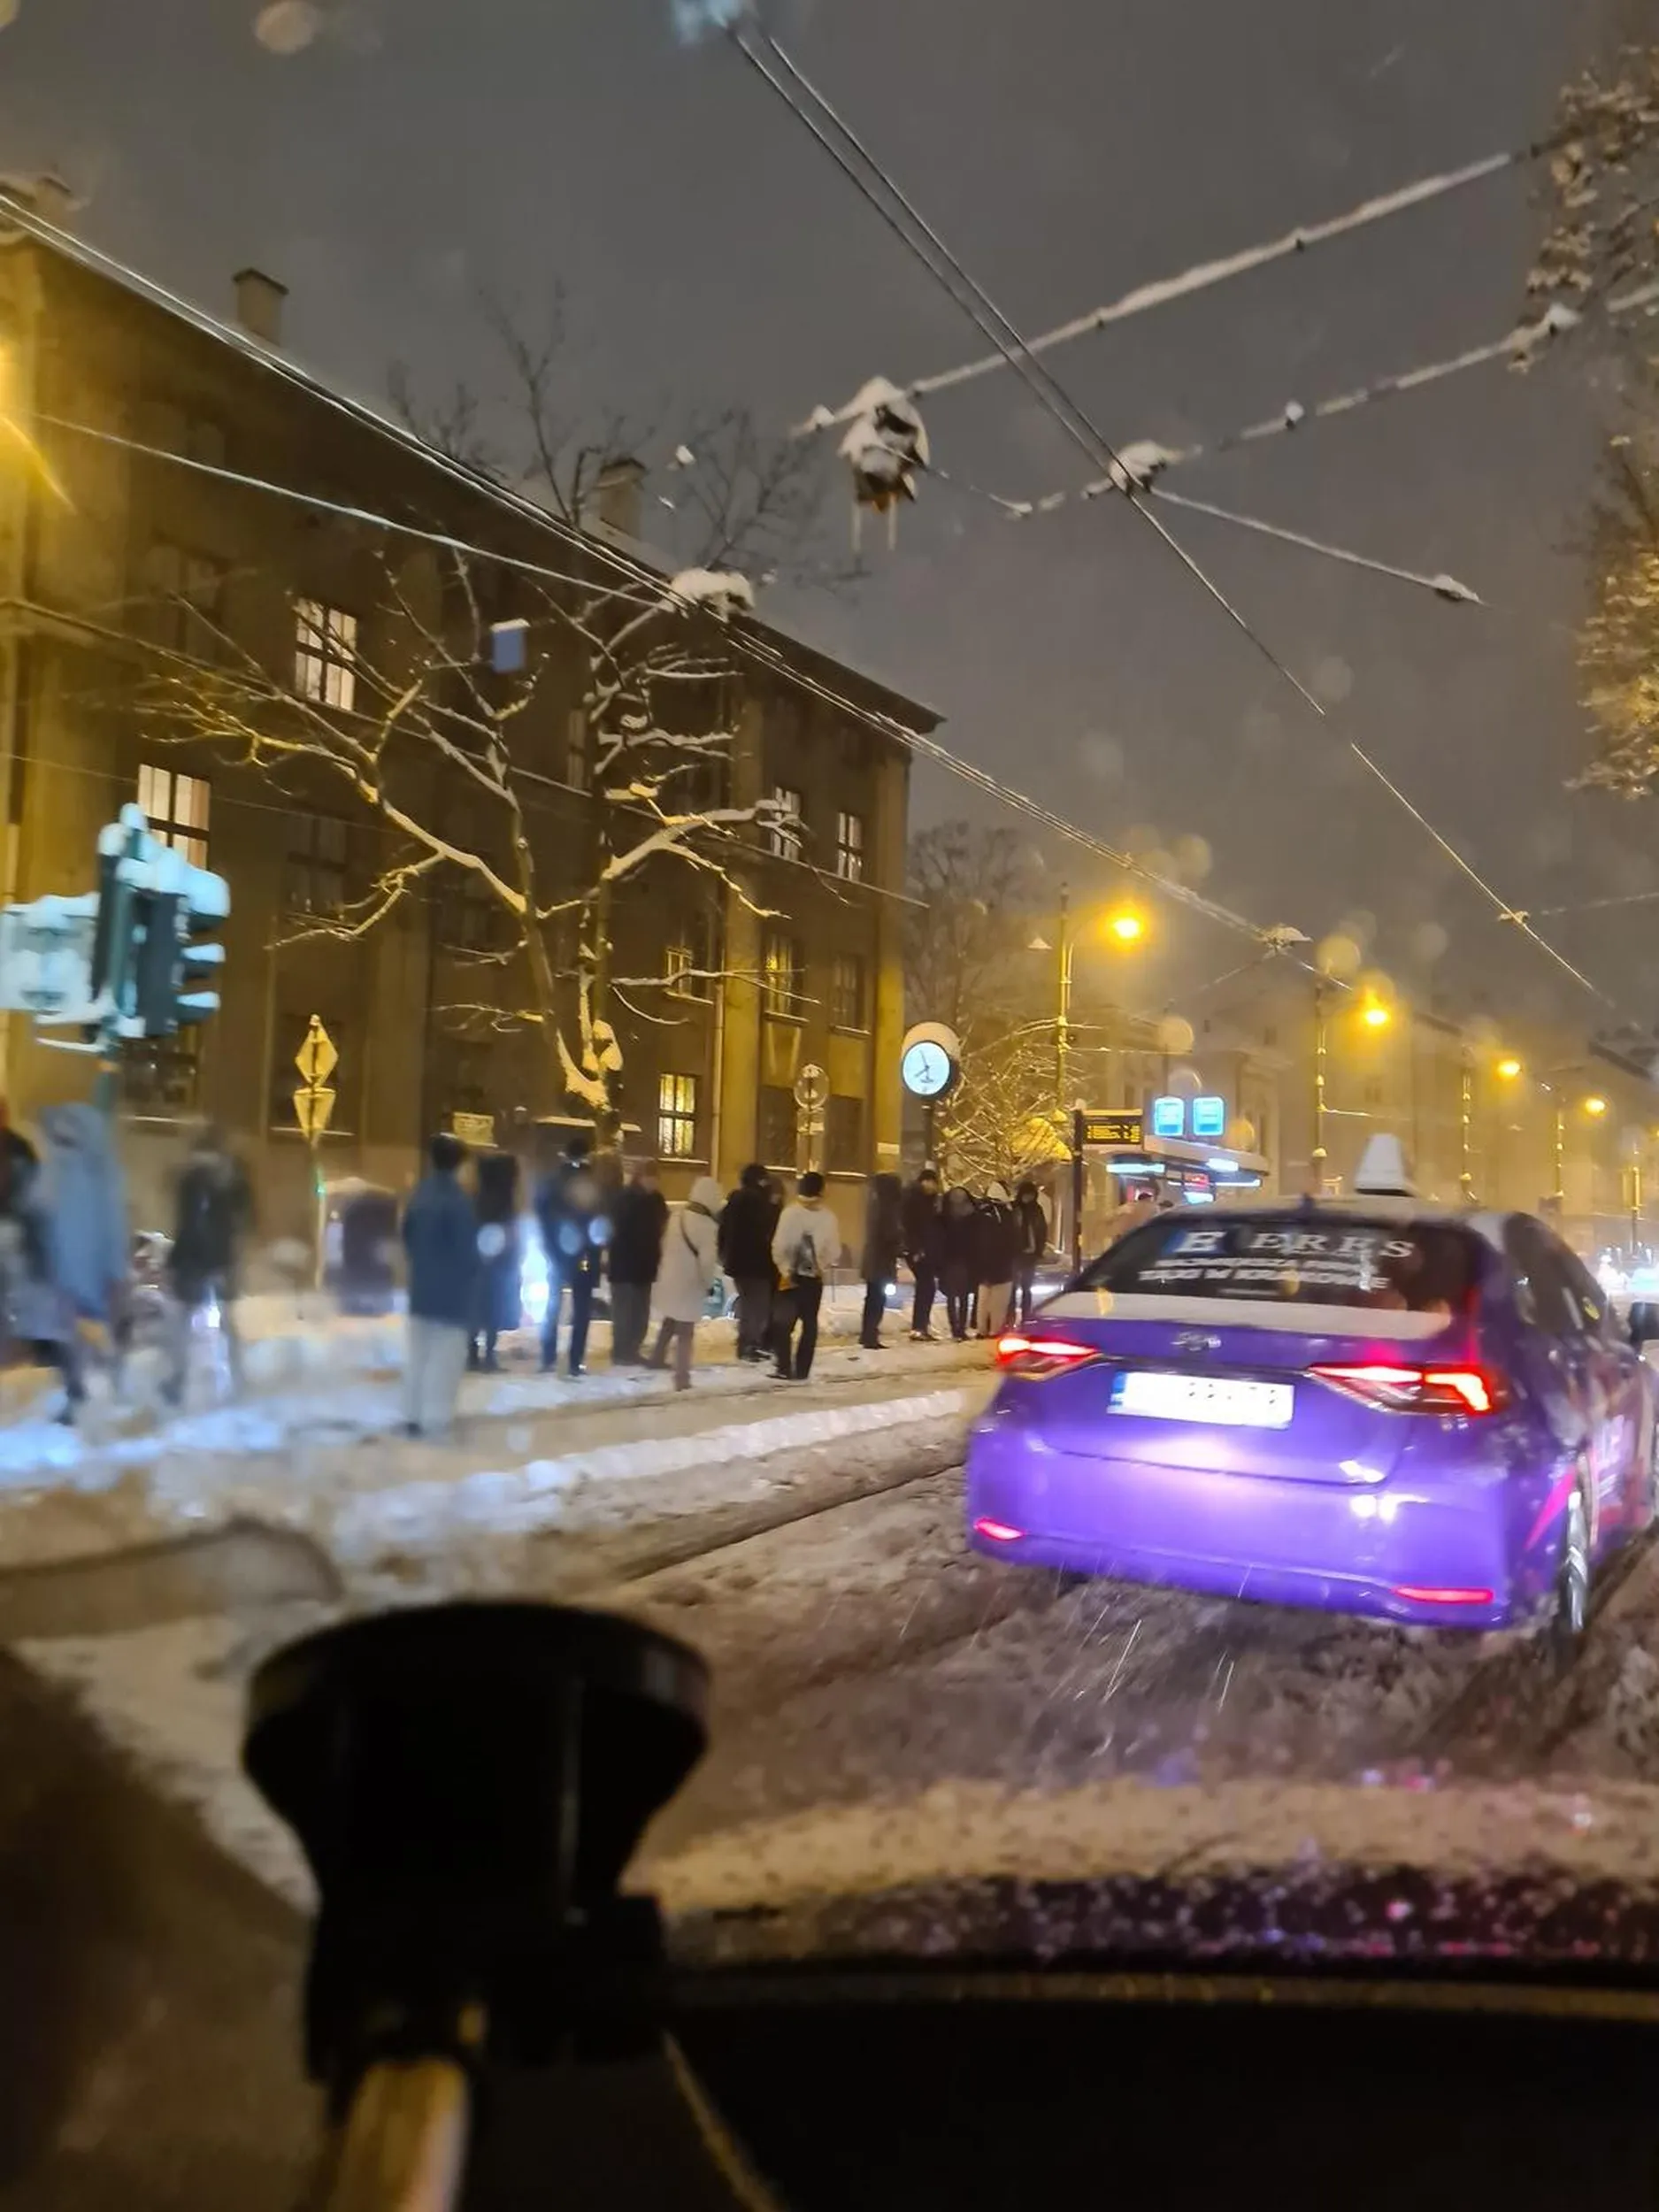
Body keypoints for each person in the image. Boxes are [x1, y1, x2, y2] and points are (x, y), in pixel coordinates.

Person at [164, 1120, 253, 1408]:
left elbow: (186, 1223)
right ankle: (238, 1382)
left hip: (192, 1258)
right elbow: (245, 1219)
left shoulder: (190, 1178)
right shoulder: (232, 1178)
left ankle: (176, 1381)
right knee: (227, 1322)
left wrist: (177, 1259)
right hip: (221, 1257)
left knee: (181, 1322)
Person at [400, 1132, 478, 1439]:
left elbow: (406, 1235)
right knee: (445, 1360)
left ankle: (413, 1414)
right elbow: (466, 1251)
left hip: (421, 1290)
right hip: (451, 1298)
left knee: (418, 1355)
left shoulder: (420, 1194)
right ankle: (436, 1418)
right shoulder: (458, 1202)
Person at [535, 1133, 610, 1378]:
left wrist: (548, 1247)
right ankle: (575, 1361)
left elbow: (542, 1214)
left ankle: (548, 1356)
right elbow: (599, 1222)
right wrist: (596, 1252)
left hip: (556, 1256)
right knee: (581, 1309)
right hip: (585, 1257)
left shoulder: (553, 1180)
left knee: (553, 1306)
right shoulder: (592, 1184)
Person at [648, 1176, 722, 1391]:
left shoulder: (677, 1217)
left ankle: (657, 1357)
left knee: (670, 1319)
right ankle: (682, 1378)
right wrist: (708, 1283)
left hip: (669, 1276)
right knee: (686, 1330)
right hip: (689, 1281)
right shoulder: (707, 1227)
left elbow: (663, 1244)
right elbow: (707, 1262)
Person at [771, 1171, 842, 1381]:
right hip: (813, 1279)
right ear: (820, 1190)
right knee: (809, 1324)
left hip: (789, 1277)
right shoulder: (828, 1218)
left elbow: (779, 1246)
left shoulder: (790, 1214)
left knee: (783, 1323)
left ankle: (784, 1366)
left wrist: (784, 1269)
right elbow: (834, 1250)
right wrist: (821, 1265)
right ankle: (802, 1370)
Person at [608, 1160, 668, 1366]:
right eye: (650, 1176)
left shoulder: (656, 1200)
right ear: (640, 1177)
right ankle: (621, 1351)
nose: (654, 1181)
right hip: (625, 1265)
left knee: (641, 1313)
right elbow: (618, 1231)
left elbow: (660, 1227)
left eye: (656, 1177)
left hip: (645, 1265)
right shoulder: (626, 1198)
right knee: (625, 1311)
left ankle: (632, 1348)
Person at [718, 1162, 778, 1362]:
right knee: (758, 1306)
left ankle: (745, 1344)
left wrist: (725, 1255)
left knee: (747, 1303)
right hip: (757, 1264)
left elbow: (722, 1232)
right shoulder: (759, 1202)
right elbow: (766, 1232)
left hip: (736, 1264)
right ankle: (750, 1345)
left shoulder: (732, 1202)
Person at [468, 1151, 521, 1372]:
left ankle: (472, 1354)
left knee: (476, 1308)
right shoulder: (503, 1201)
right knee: (493, 1309)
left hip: (476, 1264)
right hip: (497, 1265)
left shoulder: (477, 1197)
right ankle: (488, 1355)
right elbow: (506, 1234)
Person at [859, 1171, 903, 1350]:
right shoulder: (887, 1207)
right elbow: (889, 1234)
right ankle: (870, 1335)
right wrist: (899, 1242)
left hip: (874, 1259)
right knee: (877, 1299)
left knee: (872, 1298)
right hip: (882, 1261)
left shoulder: (875, 1202)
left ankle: (867, 1334)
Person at [901, 1167, 943, 1341]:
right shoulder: (914, 1199)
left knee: (926, 1287)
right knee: (927, 1286)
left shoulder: (926, 1200)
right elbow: (911, 1226)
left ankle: (920, 1326)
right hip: (918, 1251)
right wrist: (916, 1249)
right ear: (924, 1181)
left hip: (923, 1250)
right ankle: (919, 1327)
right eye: (932, 1183)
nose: (934, 1187)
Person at [975, 1181, 1020, 1339]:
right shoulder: (1004, 1213)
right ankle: (995, 1329)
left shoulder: (981, 1212)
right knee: (999, 1301)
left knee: (984, 1300)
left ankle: (982, 1329)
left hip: (984, 1264)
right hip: (1002, 1265)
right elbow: (1011, 1239)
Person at [938, 1184, 979, 1342]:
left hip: (957, 1260)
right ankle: (958, 1328)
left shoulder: (946, 1215)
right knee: (959, 1296)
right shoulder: (964, 1216)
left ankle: (958, 1328)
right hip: (956, 1260)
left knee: (958, 1296)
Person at [1012, 1179, 1049, 1323]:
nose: (1029, 1198)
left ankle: (1025, 1316)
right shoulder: (1014, 1209)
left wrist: (1039, 1248)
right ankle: (1010, 1316)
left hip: (1031, 1253)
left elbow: (1042, 1230)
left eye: (1031, 1195)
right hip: (1016, 1253)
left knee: (1027, 1288)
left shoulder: (1037, 1209)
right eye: (1026, 1195)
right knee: (1013, 1288)